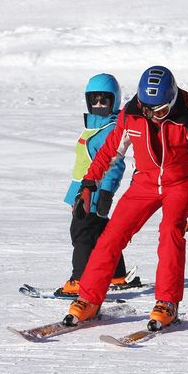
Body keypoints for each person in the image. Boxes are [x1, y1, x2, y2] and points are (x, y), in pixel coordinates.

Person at [64, 65, 188, 331]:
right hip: (144, 184)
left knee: (171, 232)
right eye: (147, 109)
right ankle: (90, 298)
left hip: (179, 185)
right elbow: (110, 150)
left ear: (171, 102)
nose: (152, 116)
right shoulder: (132, 114)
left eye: (158, 111)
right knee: (112, 235)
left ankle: (167, 303)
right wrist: (89, 182)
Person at [57, 73, 140, 297]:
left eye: (105, 100)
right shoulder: (95, 126)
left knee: (82, 233)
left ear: (114, 100)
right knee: (102, 233)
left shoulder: (112, 129)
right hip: (81, 189)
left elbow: (115, 164)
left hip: (93, 191)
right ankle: (117, 275)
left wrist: (105, 193)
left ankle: (80, 279)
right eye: (94, 100)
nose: (99, 104)